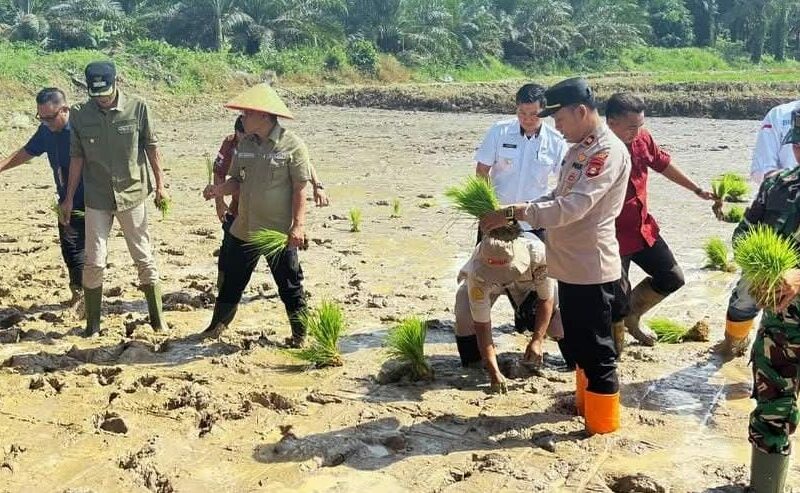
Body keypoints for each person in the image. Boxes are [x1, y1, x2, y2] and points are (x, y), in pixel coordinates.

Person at [481, 78, 631, 435]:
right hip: (571, 266)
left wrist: (516, 212)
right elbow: (557, 192)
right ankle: (585, 408)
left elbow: (573, 207)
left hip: (592, 267)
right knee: (579, 345)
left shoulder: (605, 152)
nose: (556, 126)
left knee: (597, 353)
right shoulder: (579, 147)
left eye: (559, 118)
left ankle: (603, 427)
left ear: (580, 111)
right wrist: (515, 209)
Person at [60, 61, 169, 336]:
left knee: (143, 257)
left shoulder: (138, 107)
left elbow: (152, 148)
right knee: (94, 261)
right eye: (96, 95)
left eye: (106, 94)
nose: (102, 100)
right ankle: (93, 325)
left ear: (117, 82)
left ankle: (157, 321)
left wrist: (161, 186)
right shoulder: (79, 114)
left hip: (132, 194)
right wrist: (69, 197)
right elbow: (76, 157)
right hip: (96, 198)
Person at [605, 93, 714, 355]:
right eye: (632, 126)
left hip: (641, 229)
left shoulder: (642, 138)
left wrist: (696, 189)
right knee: (616, 299)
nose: (637, 131)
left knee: (672, 277)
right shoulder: (598, 149)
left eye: (640, 125)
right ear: (610, 122)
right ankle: (613, 353)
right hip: (611, 237)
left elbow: (662, 164)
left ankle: (633, 317)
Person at [202, 83, 311, 347]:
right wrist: (219, 190)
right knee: (231, 281)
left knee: (290, 285)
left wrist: (297, 226)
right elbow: (237, 181)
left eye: (247, 113)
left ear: (264, 115)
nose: (242, 118)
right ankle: (216, 328)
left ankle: (300, 336)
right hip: (244, 227)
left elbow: (300, 189)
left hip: (276, 233)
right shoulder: (245, 145)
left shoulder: (292, 146)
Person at [736, 109, 800, 492]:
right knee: (773, 409)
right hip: (783, 328)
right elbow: (744, 235)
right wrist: (757, 273)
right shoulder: (776, 187)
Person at [722, 99, 800, 357]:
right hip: (770, 273)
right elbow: (743, 233)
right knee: (746, 297)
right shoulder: (776, 185)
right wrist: (760, 266)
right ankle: (732, 346)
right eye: (797, 145)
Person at [0, 87, 85, 307]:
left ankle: (89, 296)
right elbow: (27, 151)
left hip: (94, 197)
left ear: (65, 109)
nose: (46, 122)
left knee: (89, 249)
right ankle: (79, 293)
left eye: (50, 117)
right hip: (66, 198)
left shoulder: (82, 127)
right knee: (71, 248)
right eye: (41, 117)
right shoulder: (46, 130)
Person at [454, 233, 565, 393]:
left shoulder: (538, 255)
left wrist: (537, 340)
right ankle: (474, 365)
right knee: (464, 316)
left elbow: (545, 299)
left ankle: (573, 360)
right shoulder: (477, 272)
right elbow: (482, 324)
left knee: (559, 324)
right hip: (488, 284)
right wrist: (493, 372)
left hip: (529, 283)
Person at [474, 83, 569, 240]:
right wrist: (487, 207)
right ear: (516, 108)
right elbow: (482, 170)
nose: (527, 119)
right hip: (496, 219)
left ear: (544, 112)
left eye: (534, 114)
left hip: (534, 222)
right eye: (522, 113)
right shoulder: (499, 131)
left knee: (538, 263)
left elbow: (565, 181)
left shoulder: (556, 141)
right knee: (487, 263)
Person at [212, 116, 329, 228]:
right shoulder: (231, 144)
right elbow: (219, 173)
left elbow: (304, 164)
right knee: (232, 234)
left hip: (271, 207)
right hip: (242, 202)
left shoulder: (272, 143)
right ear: (237, 133)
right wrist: (219, 203)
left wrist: (317, 185)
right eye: (245, 136)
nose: (250, 139)